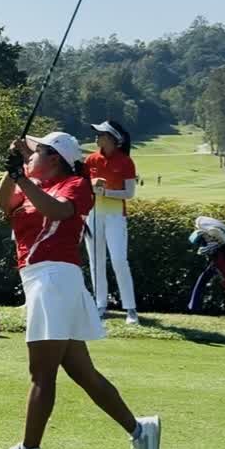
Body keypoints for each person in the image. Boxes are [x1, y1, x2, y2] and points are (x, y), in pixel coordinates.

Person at [0, 131, 160, 449]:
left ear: (55, 159)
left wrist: (22, 176)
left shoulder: (76, 185)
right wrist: (13, 170)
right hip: (46, 282)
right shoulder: (35, 183)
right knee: (83, 373)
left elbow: (57, 211)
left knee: (42, 374)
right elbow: (3, 203)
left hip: (54, 280)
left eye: (37, 152)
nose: (31, 156)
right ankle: (140, 430)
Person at [85, 120, 140, 325]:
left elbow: (129, 193)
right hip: (93, 214)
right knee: (96, 261)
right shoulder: (91, 159)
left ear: (111, 138)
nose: (97, 137)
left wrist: (105, 192)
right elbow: (81, 185)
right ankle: (100, 304)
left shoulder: (125, 161)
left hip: (115, 215)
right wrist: (91, 186)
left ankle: (130, 309)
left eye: (100, 134)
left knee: (118, 260)